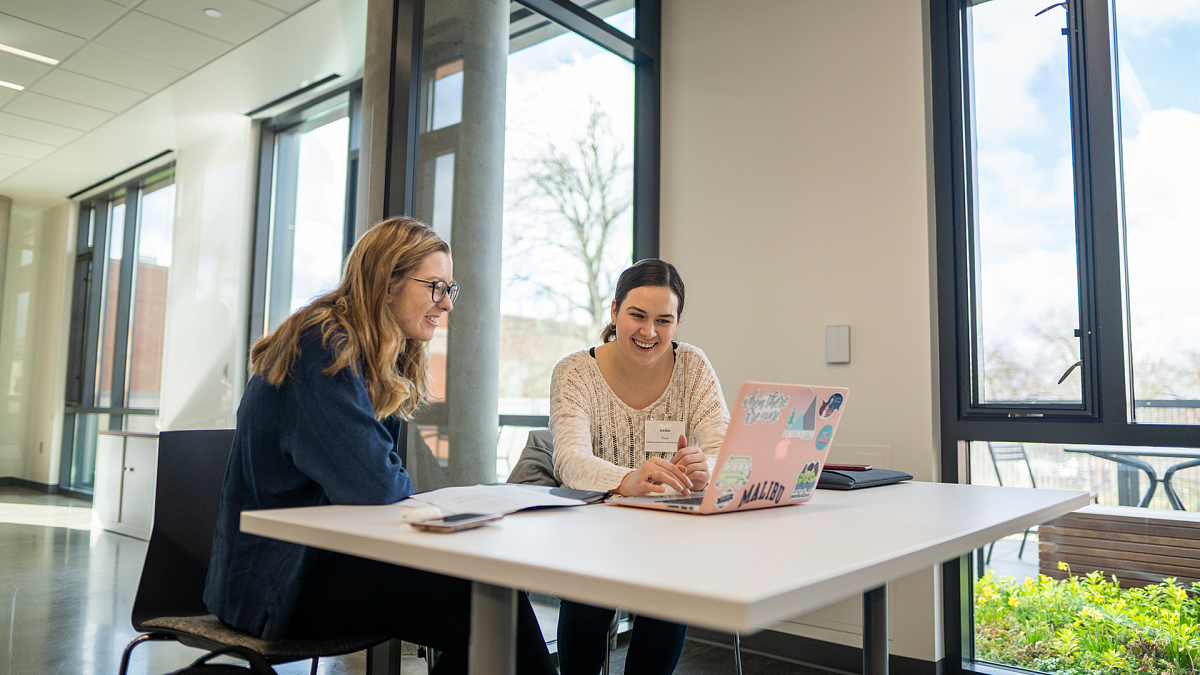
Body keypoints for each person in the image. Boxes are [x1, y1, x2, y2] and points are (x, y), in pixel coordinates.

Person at [203, 217, 556, 675]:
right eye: (435, 287)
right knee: (488, 601)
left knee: (489, 607)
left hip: (320, 564)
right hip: (278, 584)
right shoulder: (322, 347)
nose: (446, 304)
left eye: (451, 290)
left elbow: (377, 479)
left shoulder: (370, 352)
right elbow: (377, 484)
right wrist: (391, 482)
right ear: (389, 284)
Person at [549, 258, 731, 675]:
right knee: (587, 596)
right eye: (637, 316)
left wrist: (707, 465)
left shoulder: (693, 367)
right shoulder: (575, 372)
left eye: (664, 320)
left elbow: (726, 449)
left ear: (678, 322)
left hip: (667, 535)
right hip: (593, 531)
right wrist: (627, 480)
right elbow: (570, 461)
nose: (649, 332)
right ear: (614, 312)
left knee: (670, 588)